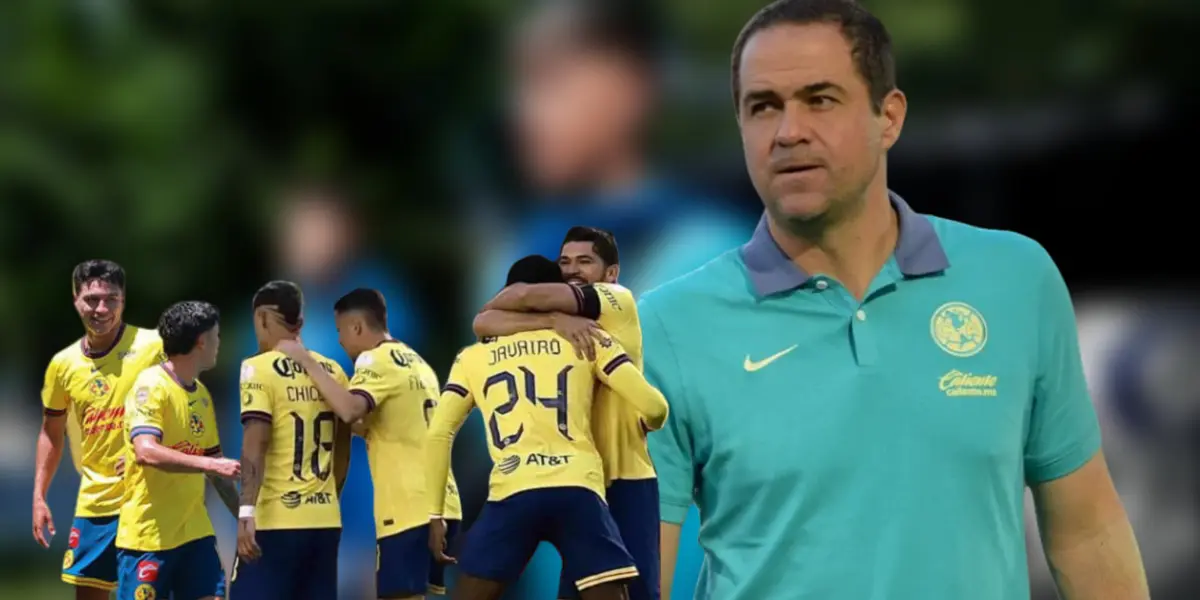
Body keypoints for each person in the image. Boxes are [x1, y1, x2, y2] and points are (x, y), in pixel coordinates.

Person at [639, 1, 1150, 599]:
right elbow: (634, 574)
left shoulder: (1016, 280)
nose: (788, 131)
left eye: (820, 99)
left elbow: (1085, 530)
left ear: (889, 117)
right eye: (763, 107)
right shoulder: (669, 326)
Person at [426, 255, 669, 600]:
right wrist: (645, 423)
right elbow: (655, 407)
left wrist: (436, 513)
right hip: (577, 490)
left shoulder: (471, 358)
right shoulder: (588, 338)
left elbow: (438, 433)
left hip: (512, 491)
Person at [275, 288, 464, 600]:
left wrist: (306, 362)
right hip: (443, 504)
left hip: (408, 509)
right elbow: (368, 424)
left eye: (340, 331)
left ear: (357, 328)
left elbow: (351, 410)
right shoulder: (416, 362)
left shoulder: (375, 360)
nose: (339, 341)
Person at [33, 260, 165, 599]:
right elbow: (51, 432)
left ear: (124, 300)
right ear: (76, 299)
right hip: (95, 503)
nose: (101, 308)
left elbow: (188, 403)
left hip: (149, 498)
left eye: (111, 299)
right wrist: (39, 496)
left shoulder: (154, 346)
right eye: (92, 300)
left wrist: (150, 447)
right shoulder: (63, 365)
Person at [231, 280, 353, 600]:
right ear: (300, 321)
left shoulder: (257, 369)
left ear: (262, 318)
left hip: (275, 521)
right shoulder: (333, 371)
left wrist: (246, 512)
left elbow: (254, 443)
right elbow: (343, 452)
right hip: (325, 521)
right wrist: (327, 497)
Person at [116, 301, 241, 600]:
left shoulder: (202, 396)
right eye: (217, 336)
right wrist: (210, 466)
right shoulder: (151, 386)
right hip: (148, 538)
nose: (219, 343)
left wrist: (245, 518)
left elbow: (216, 468)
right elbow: (146, 451)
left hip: (195, 533)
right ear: (201, 342)